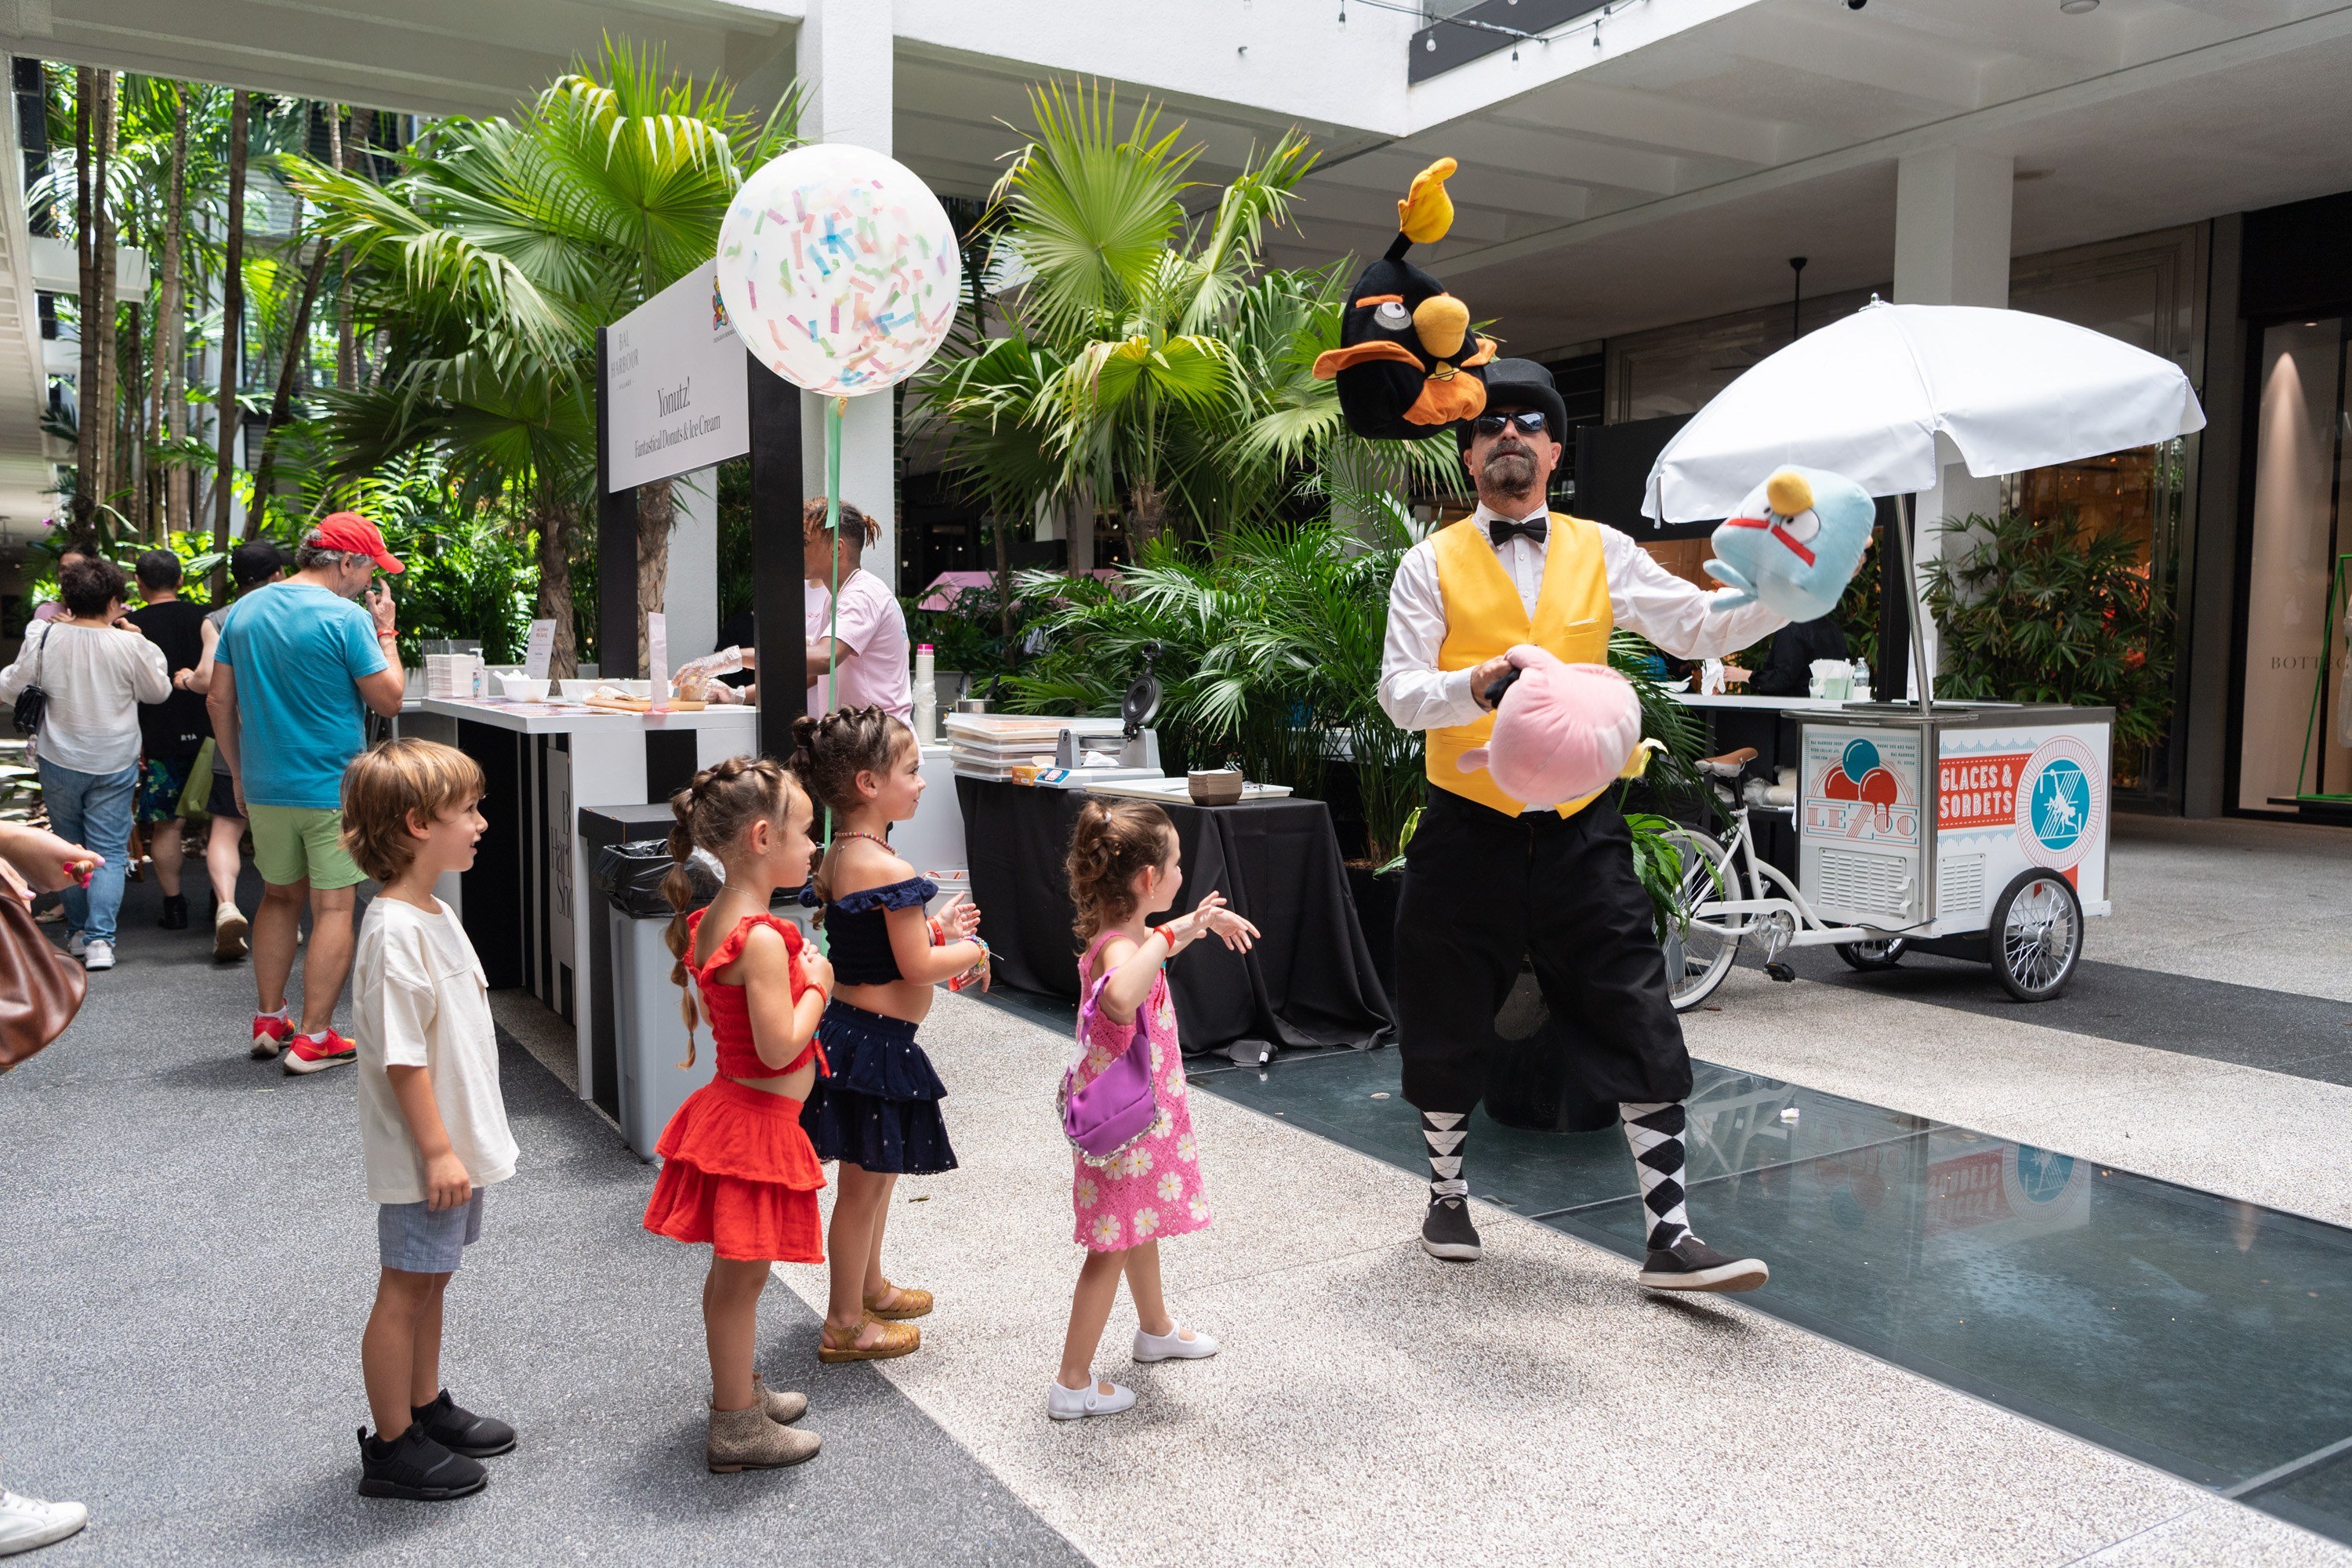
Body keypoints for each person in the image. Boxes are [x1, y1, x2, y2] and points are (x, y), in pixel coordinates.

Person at [1379, 358, 1783, 1289]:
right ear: (1468, 452)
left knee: (1634, 1003)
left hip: (1579, 824)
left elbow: (1695, 625)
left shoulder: (1602, 548)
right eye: (1489, 424)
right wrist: (1471, 685)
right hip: (1465, 822)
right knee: (1443, 1007)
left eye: (1528, 421)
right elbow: (1399, 694)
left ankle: (1670, 1234)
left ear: (1556, 448)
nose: (1508, 433)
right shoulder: (1425, 563)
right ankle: (1447, 1194)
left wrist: (1785, 597)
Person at [641, 757, 829, 1473]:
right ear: (761, 837)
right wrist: (820, 985)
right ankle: (736, 1425)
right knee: (742, 1281)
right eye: (806, 832)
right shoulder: (758, 935)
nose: (813, 847)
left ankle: (738, 1387)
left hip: (737, 1112)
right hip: (753, 1124)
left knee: (734, 1279)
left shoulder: (720, 918)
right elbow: (782, 1044)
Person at [343, 739, 518, 1502]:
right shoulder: (394, 931)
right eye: (467, 810)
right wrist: (439, 1150)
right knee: (405, 1287)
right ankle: (390, 1445)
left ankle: (424, 1402)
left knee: (433, 1276)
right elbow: (403, 1059)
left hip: (452, 1147)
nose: (480, 822)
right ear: (418, 822)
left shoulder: (435, 910)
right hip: (427, 1153)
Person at [790, 706, 984, 1363]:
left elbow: (879, 947)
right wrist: (973, 950)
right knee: (864, 1186)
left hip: (857, 1035)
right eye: (911, 769)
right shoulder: (890, 872)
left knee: (876, 1173)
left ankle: (868, 1285)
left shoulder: (846, 852)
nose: (922, 781)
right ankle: (844, 1321)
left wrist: (936, 930)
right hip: (874, 1043)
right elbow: (915, 967)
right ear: (869, 784)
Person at [1051, 800, 1256, 1421]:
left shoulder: (1132, 935)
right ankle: (1072, 1381)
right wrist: (1172, 934)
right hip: (1125, 1129)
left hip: (1141, 1121)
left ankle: (1155, 1328)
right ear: (1146, 880)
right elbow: (1119, 996)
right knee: (1110, 1245)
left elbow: (1149, 955)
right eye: (1174, 865)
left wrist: (1193, 924)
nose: (1179, 873)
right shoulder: (1121, 949)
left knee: (1136, 1225)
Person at [209, 515, 405, 1072]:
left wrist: (240, 774)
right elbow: (389, 700)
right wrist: (385, 631)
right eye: (369, 570)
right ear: (345, 562)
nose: (369, 583)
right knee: (335, 905)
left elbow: (218, 702)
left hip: (267, 785)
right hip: (330, 786)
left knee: (277, 897)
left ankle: (271, 1020)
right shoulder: (346, 618)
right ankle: (315, 1038)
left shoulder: (245, 610)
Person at [0, 557, 170, 971]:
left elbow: (10, 688)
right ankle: (100, 942)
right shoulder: (131, 645)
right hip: (115, 758)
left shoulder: (44, 636)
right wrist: (138, 638)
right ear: (114, 601)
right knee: (109, 849)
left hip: (60, 757)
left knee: (68, 845)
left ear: (69, 599)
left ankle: (77, 932)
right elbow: (159, 692)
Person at [683, 499, 911, 720]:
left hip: (883, 746)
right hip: (862, 741)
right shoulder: (838, 597)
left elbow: (825, 657)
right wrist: (737, 689)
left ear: (836, 548)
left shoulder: (862, 594)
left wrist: (734, 658)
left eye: (804, 543)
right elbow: (806, 662)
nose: (795, 550)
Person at [181, 539, 289, 961]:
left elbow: (209, 681)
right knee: (283, 829)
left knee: (226, 828)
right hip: (290, 740)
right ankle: (283, 911)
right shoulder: (298, 611)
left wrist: (187, 679)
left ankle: (226, 904)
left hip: (238, 740)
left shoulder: (221, 619)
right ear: (278, 574)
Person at [125, 550, 211, 933]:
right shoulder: (206, 618)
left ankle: (174, 907)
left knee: (167, 825)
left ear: (139, 584)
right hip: (212, 737)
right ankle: (219, 900)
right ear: (180, 581)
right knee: (220, 824)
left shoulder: (128, 626)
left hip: (157, 737)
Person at [1747, 613, 1849, 698]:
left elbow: (1783, 679)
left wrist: (1745, 675)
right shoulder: (1833, 628)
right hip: (1831, 707)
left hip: (1795, 710)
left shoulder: (1791, 629)